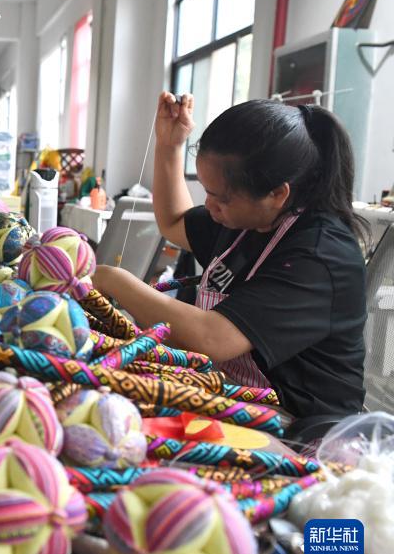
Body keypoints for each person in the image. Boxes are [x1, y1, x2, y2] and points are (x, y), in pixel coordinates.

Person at [91, 92, 367, 420]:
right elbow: (174, 222)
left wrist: (111, 278)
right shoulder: (247, 218)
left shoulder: (320, 256)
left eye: (220, 197)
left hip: (300, 423)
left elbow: (212, 338)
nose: (209, 206)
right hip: (231, 390)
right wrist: (169, 145)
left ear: (277, 194)